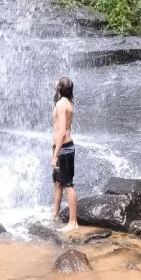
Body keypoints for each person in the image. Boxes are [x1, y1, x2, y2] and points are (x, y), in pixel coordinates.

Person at [50, 76, 78, 230]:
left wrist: (55, 155)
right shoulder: (66, 102)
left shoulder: (62, 105)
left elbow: (61, 133)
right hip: (60, 148)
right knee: (58, 183)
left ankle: (73, 223)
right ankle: (55, 215)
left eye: (57, 83)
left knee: (68, 184)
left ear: (60, 87)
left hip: (64, 149)